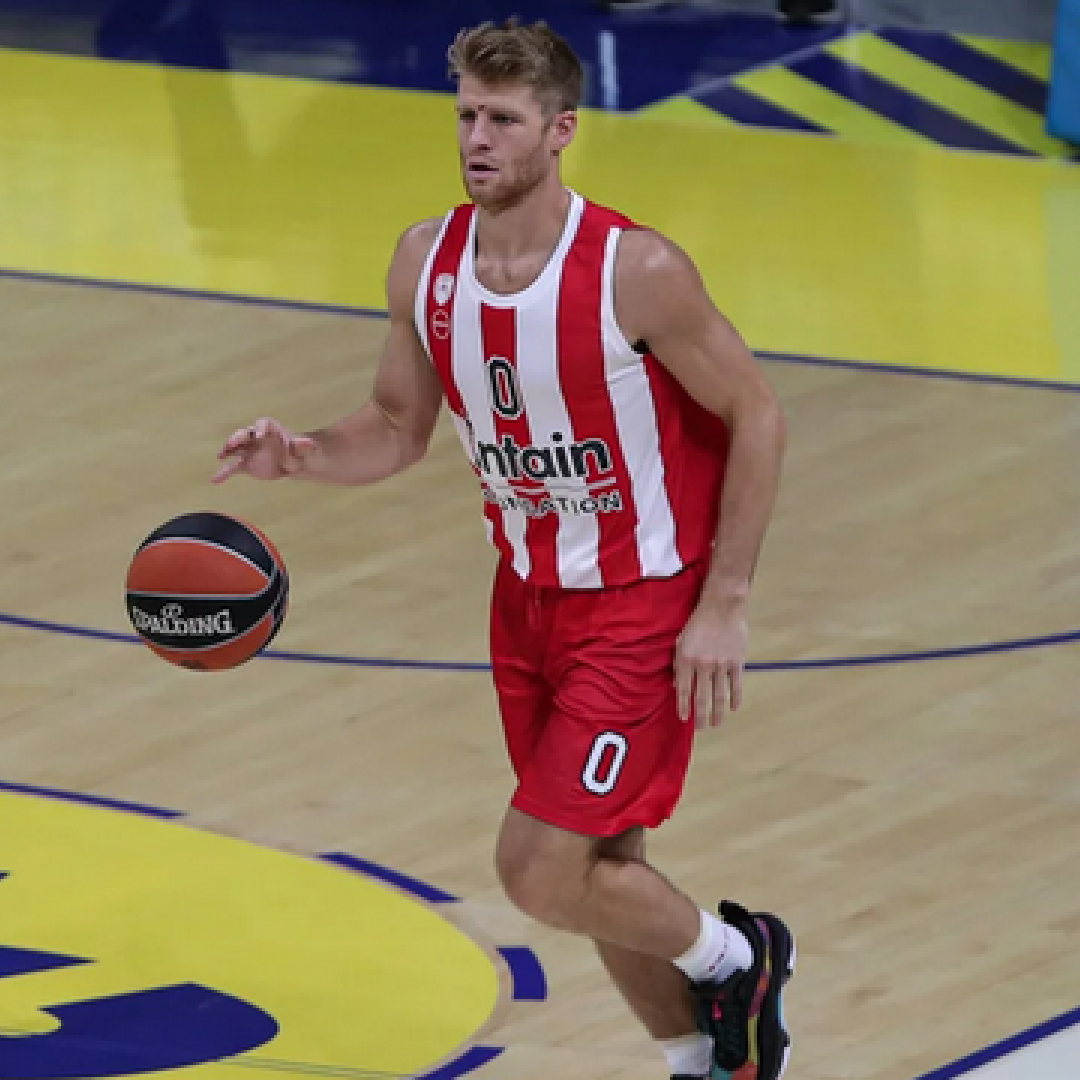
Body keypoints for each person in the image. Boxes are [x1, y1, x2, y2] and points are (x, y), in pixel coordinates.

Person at [211, 17, 793, 1080]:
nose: (478, 139)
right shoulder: (424, 260)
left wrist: (725, 602)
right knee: (600, 864)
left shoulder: (635, 269)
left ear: (561, 130)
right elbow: (398, 426)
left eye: (505, 120)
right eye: (467, 116)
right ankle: (705, 1066)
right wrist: (300, 456)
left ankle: (736, 959)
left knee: (538, 869)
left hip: (640, 600)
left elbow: (757, 413)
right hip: (525, 598)